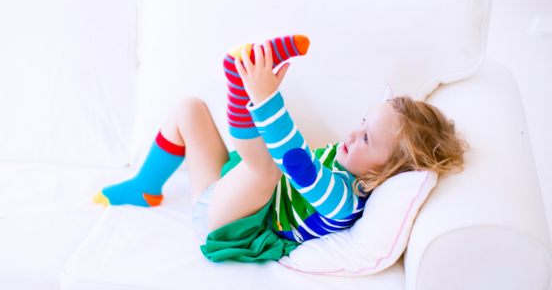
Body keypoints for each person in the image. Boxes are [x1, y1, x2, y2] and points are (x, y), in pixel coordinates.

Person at [92, 35, 468, 262]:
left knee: (269, 167)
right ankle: (146, 185)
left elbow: (295, 162)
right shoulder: (350, 163)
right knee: (189, 109)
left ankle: (242, 88)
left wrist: (265, 96)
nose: (353, 134)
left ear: (386, 173)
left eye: (367, 138)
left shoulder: (343, 199)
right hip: (227, 192)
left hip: (231, 224)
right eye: (363, 122)